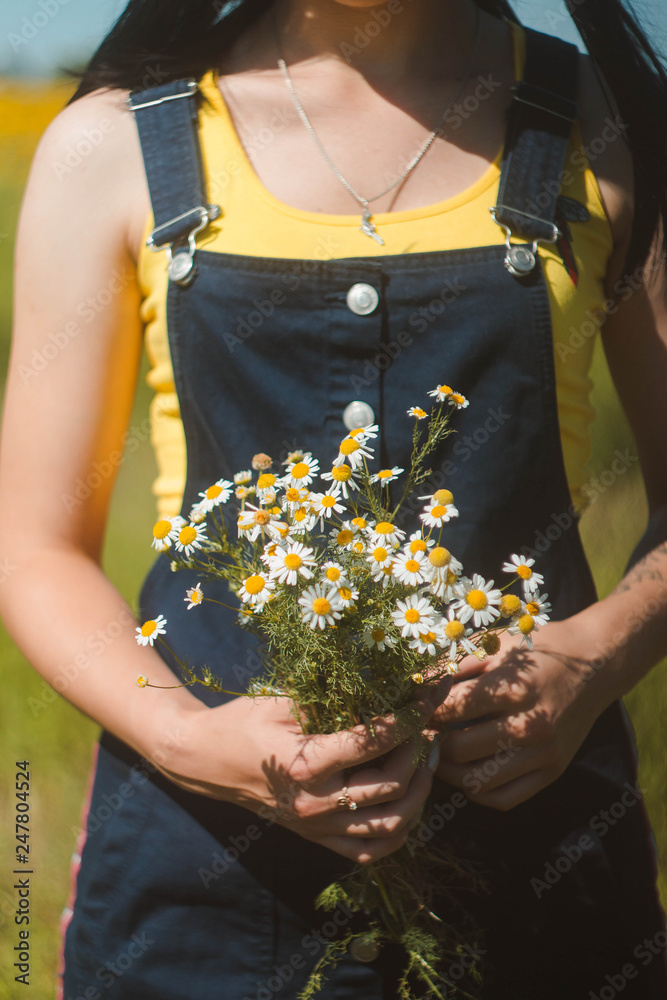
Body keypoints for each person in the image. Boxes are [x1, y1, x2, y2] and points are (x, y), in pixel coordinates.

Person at [1, 0, 666, 996]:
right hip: (191, 910)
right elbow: (31, 546)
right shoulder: (110, 146)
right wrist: (191, 736)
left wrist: (595, 655)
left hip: (548, 898)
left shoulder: (610, 126)